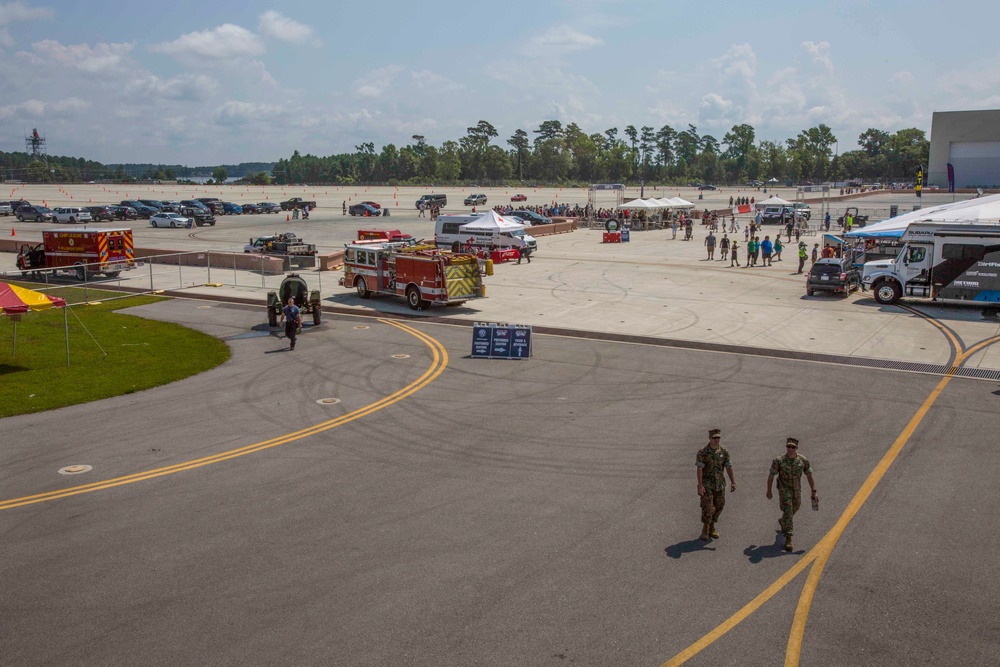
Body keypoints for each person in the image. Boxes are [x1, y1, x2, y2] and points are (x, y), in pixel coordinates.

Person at [766, 437, 817, 552]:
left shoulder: (802, 460)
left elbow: (809, 475)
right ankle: (788, 538)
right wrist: (769, 490)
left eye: (793, 447)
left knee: (796, 506)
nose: (790, 449)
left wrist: (814, 491)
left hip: (796, 490)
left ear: (797, 448)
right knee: (788, 510)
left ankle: (784, 520)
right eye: (788, 446)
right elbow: (771, 476)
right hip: (784, 490)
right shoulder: (779, 460)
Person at [697, 428, 736, 540]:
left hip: (719, 484)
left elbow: (728, 466)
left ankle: (712, 526)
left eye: (718, 437)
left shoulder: (724, 451)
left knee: (719, 505)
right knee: (708, 507)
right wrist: (700, 485)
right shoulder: (703, 452)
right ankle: (705, 527)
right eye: (714, 438)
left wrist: (733, 481)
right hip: (707, 484)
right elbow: (699, 469)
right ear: (709, 438)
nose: (716, 440)